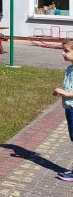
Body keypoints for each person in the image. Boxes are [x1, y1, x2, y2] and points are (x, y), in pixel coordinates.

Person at [54, 39, 73, 181]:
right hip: (69, 108)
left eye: (66, 51)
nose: (62, 53)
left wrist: (65, 93)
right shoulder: (69, 69)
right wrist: (60, 92)